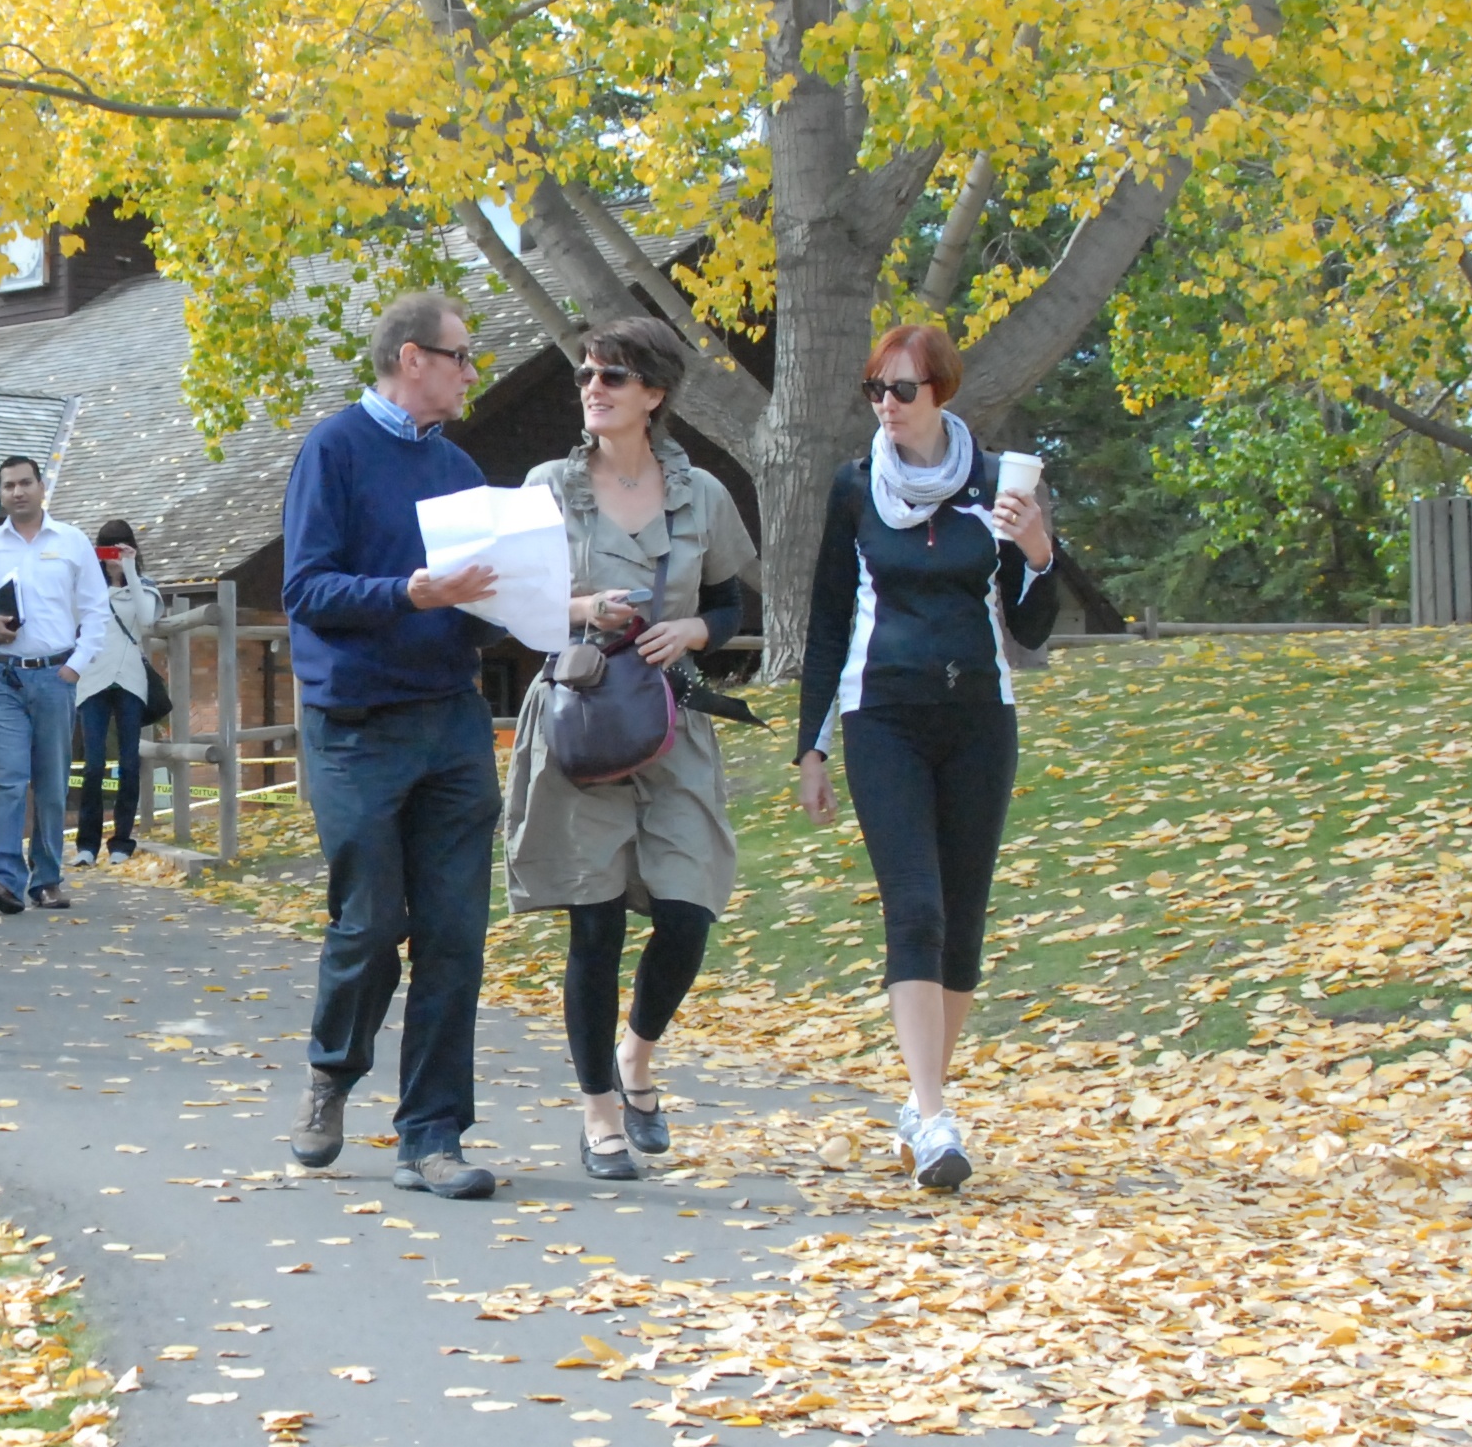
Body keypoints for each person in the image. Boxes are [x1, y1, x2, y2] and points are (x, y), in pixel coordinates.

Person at [794, 318, 1058, 1194]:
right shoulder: (853, 487)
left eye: (902, 390)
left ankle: (922, 1107)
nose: (887, 406)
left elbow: (1031, 628)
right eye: (875, 390)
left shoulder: (997, 485)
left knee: (963, 915)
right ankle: (931, 1106)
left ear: (940, 390)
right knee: (916, 909)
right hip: (884, 718)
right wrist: (812, 745)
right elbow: (829, 619)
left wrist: (1036, 550)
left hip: (981, 716)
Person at [502, 318, 759, 1181]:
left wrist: (694, 627)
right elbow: (507, 605)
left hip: (671, 722)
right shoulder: (545, 488)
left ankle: (638, 1058)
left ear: (654, 393)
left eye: (613, 375)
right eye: (585, 374)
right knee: (596, 922)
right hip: (578, 720)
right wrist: (581, 611)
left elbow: (728, 604)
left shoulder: (706, 496)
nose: (594, 388)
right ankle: (600, 1114)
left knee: (690, 908)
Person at [273, 290, 503, 1200]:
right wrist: (407, 594)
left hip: (450, 719)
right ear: (413, 359)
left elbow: (479, 600)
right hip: (357, 729)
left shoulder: (460, 467)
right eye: (459, 358)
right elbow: (306, 589)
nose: (469, 374)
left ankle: (432, 1137)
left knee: (455, 934)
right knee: (372, 924)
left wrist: (539, 604)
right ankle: (332, 1073)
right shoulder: (333, 450)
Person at [0, 455, 111, 913]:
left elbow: (96, 610)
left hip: (54, 674)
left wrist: (75, 668)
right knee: (8, 778)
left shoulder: (72, 541)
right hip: (1, 674)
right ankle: (3, 879)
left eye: (25, 483)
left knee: (50, 783)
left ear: (42, 487)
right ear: (1, 494)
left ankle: (46, 879)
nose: (18, 492)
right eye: (8, 486)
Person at [73, 518, 164, 863]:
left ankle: (122, 841)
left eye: (120, 545)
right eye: (107, 547)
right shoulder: (87, 588)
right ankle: (86, 845)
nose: (113, 554)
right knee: (93, 764)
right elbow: (72, 621)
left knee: (129, 762)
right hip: (92, 679)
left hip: (129, 679)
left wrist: (128, 567)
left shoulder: (145, 585)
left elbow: (146, 620)